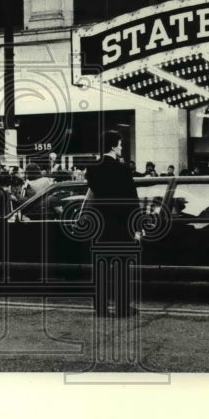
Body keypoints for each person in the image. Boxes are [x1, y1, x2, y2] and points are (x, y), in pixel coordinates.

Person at [83, 129, 140, 317]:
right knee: (121, 267)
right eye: (120, 144)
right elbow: (132, 199)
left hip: (100, 224)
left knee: (101, 267)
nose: (122, 147)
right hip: (120, 223)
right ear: (113, 145)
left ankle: (100, 307)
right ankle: (122, 307)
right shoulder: (122, 169)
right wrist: (136, 226)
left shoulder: (92, 168)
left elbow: (92, 193)